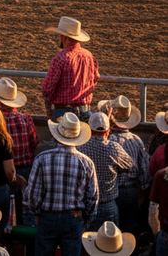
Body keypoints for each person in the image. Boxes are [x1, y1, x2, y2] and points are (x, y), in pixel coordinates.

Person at [25, 113, 100, 256]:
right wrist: (86, 219)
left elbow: (33, 194)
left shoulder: (42, 159)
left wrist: (36, 213)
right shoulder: (86, 163)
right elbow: (93, 198)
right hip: (73, 218)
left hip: (47, 216)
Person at [97, 96, 149, 235]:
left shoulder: (108, 142)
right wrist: (142, 191)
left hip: (111, 191)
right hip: (131, 191)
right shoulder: (136, 140)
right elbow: (144, 171)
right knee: (130, 229)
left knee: (110, 232)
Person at [79, 112, 134, 227]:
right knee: (110, 242)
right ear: (108, 131)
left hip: (85, 205)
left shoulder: (81, 147)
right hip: (108, 204)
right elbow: (130, 166)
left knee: (86, 241)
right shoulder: (113, 148)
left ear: (89, 129)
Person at [42, 17, 100, 120]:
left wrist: (49, 108)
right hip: (85, 110)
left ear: (63, 37)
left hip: (63, 112)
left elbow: (47, 88)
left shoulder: (60, 58)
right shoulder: (89, 56)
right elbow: (96, 78)